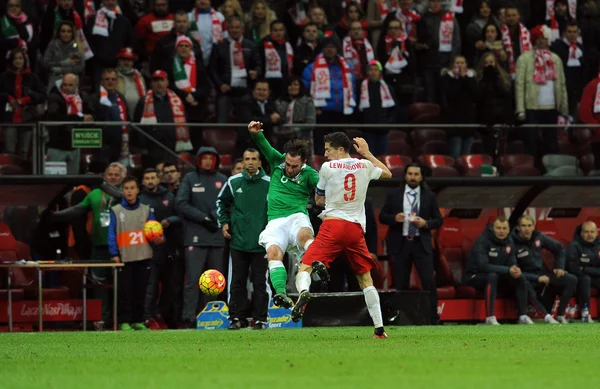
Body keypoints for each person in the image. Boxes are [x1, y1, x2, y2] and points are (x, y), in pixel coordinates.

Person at [293, 132, 392, 338]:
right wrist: (367, 153)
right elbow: (388, 174)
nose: (325, 153)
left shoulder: (327, 168)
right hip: (355, 229)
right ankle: (379, 329)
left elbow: (319, 201)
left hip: (333, 225)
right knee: (365, 279)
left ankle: (303, 293)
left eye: (328, 149)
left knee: (305, 267)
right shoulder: (364, 166)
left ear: (340, 149)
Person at [247, 120, 327, 309]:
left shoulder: (311, 175)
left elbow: (325, 190)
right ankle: (281, 294)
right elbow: (262, 144)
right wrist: (255, 133)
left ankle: (317, 260)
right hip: (275, 221)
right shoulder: (277, 161)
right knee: (273, 253)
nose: (289, 169)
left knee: (305, 235)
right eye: (288, 164)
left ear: (304, 163)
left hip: (296, 216)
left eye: (294, 166)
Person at [379, 163, 443, 324]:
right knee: (401, 283)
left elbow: (438, 220)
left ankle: (433, 318)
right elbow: (382, 216)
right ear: (405, 175)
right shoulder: (395, 194)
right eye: (410, 174)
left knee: (429, 281)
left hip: (421, 244)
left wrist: (426, 223)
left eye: (416, 174)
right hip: (401, 244)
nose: (412, 177)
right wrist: (394, 218)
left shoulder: (429, 196)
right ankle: (402, 317)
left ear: (421, 177)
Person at [216, 148, 270, 330]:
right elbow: (221, 203)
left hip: (261, 243)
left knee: (260, 284)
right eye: (247, 159)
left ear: (260, 162)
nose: (250, 162)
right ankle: (236, 319)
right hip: (238, 241)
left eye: (254, 159)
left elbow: (277, 208)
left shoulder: (270, 184)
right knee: (236, 282)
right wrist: (223, 222)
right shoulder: (233, 182)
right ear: (243, 161)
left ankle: (261, 319)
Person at [176, 147, 228, 328]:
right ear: (198, 160)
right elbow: (181, 203)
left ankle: (211, 316)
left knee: (215, 282)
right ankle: (188, 318)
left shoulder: (222, 180)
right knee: (192, 280)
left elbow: (228, 203)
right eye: (204, 158)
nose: (207, 161)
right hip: (195, 237)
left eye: (210, 158)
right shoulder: (190, 179)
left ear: (216, 160)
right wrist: (203, 218)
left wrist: (214, 216)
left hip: (216, 238)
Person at [108, 176, 164, 331]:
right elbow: (112, 234)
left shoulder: (146, 210)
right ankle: (123, 321)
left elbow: (153, 231)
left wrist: (158, 239)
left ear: (138, 190)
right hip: (124, 258)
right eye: (126, 188)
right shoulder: (116, 211)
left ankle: (138, 320)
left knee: (140, 290)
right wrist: (114, 253)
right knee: (124, 292)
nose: (129, 191)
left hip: (143, 256)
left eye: (132, 188)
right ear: (122, 191)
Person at [463, 216, 532, 325]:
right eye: (498, 228)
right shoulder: (482, 241)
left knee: (520, 276)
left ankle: (522, 316)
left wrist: (514, 269)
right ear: (493, 228)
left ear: (509, 229)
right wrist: (508, 270)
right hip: (475, 276)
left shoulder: (509, 241)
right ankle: (490, 317)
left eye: (504, 228)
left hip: (498, 276)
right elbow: (483, 266)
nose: (501, 231)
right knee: (492, 276)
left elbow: (512, 262)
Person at [511, 215, 576, 324]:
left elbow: (559, 248)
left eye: (529, 225)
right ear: (518, 228)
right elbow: (514, 270)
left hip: (541, 273)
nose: (527, 229)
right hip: (525, 277)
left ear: (533, 227)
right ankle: (544, 316)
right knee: (523, 282)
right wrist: (537, 278)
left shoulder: (538, 237)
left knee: (571, 279)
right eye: (523, 226)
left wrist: (559, 267)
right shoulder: (512, 242)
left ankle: (560, 315)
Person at [140, 168, 181, 329]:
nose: (150, 181)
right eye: (147, 178)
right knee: (150, 285)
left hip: (169, 248)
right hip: (149, 249)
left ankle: (167, 316)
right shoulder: (141, 199)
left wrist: (169, 220)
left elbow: (180, 215)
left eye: (153, 177)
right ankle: (147, 316)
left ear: (158, 179)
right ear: (143, 181)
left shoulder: (169, 196)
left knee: (170, 285)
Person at [566, 221, 599, 323]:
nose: (589, 235)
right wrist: (584, 270)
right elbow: (573, 267)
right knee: (585, 279)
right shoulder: (574, 245)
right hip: (579, 276)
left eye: (592, 232)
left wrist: (585, 268)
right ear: (581, 233)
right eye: (586, 232)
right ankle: (586, 314)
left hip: (595, 275)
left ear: (596, 233)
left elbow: (582, 267)